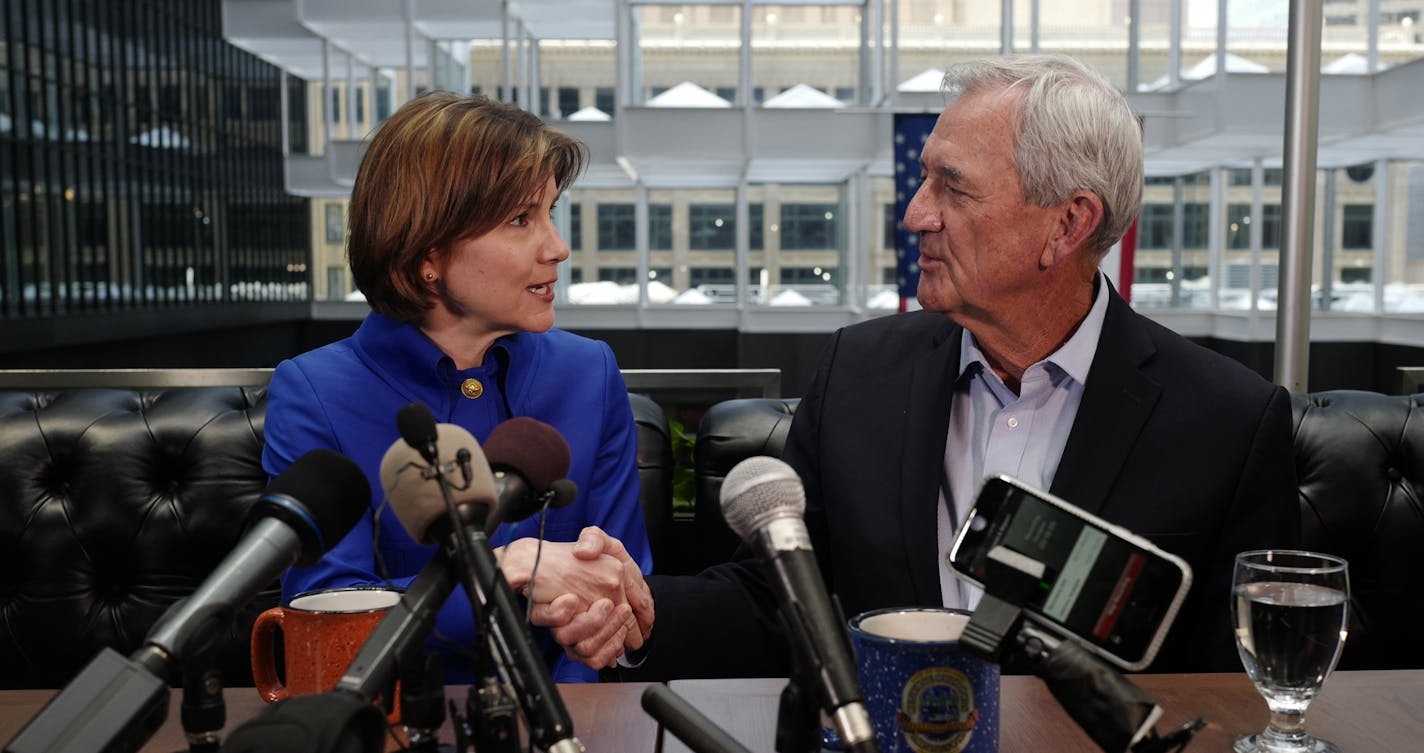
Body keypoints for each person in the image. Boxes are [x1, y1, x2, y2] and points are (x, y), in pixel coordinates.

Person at [593, 54, 1299, 678]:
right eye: (924, 180)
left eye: (952, 188)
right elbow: (779, 600)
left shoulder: (1226, 421)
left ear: (1068, 224)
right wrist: (643, 608)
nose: (914, 214)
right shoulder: (858, 375)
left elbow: (1242, 679)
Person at [262, 92, 653, 684]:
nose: (557, 247)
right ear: (427, 253)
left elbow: (625, 592)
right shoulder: (315, 390)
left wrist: (607, 624)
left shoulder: (589, 371)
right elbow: (328, 618)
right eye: (522, 220)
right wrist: (505, 572)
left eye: (551, 212)